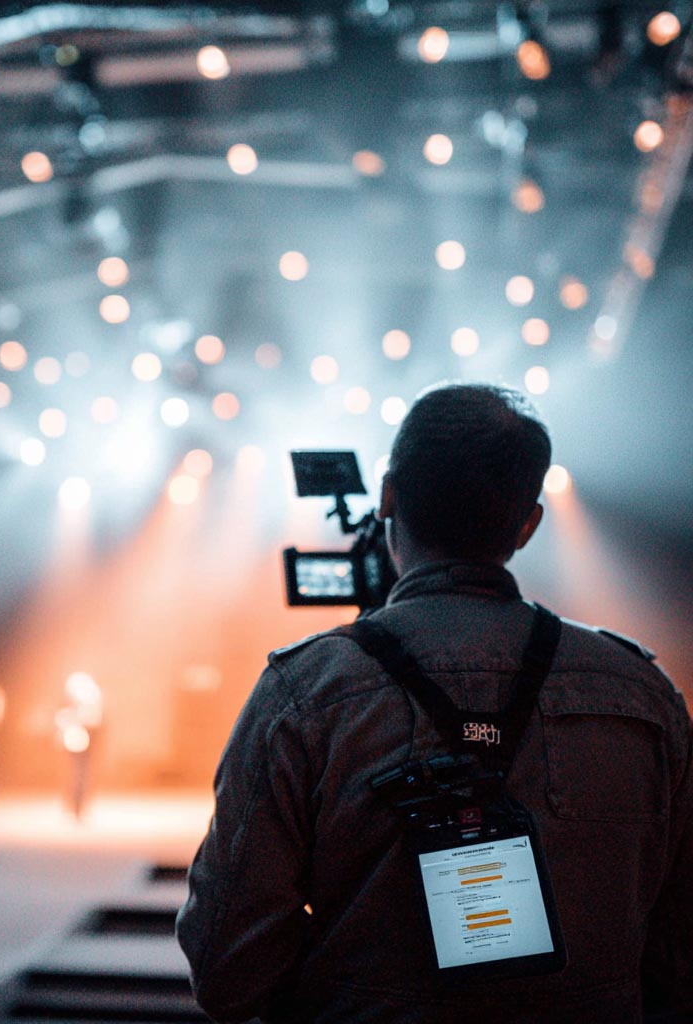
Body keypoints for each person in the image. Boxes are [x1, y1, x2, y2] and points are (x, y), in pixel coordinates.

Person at [177, 383, 692, 1023]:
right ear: (528, 523)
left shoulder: (304, 691)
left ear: (389, 495)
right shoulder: (642, 692)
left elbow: (227, 970)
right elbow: (681, 956)